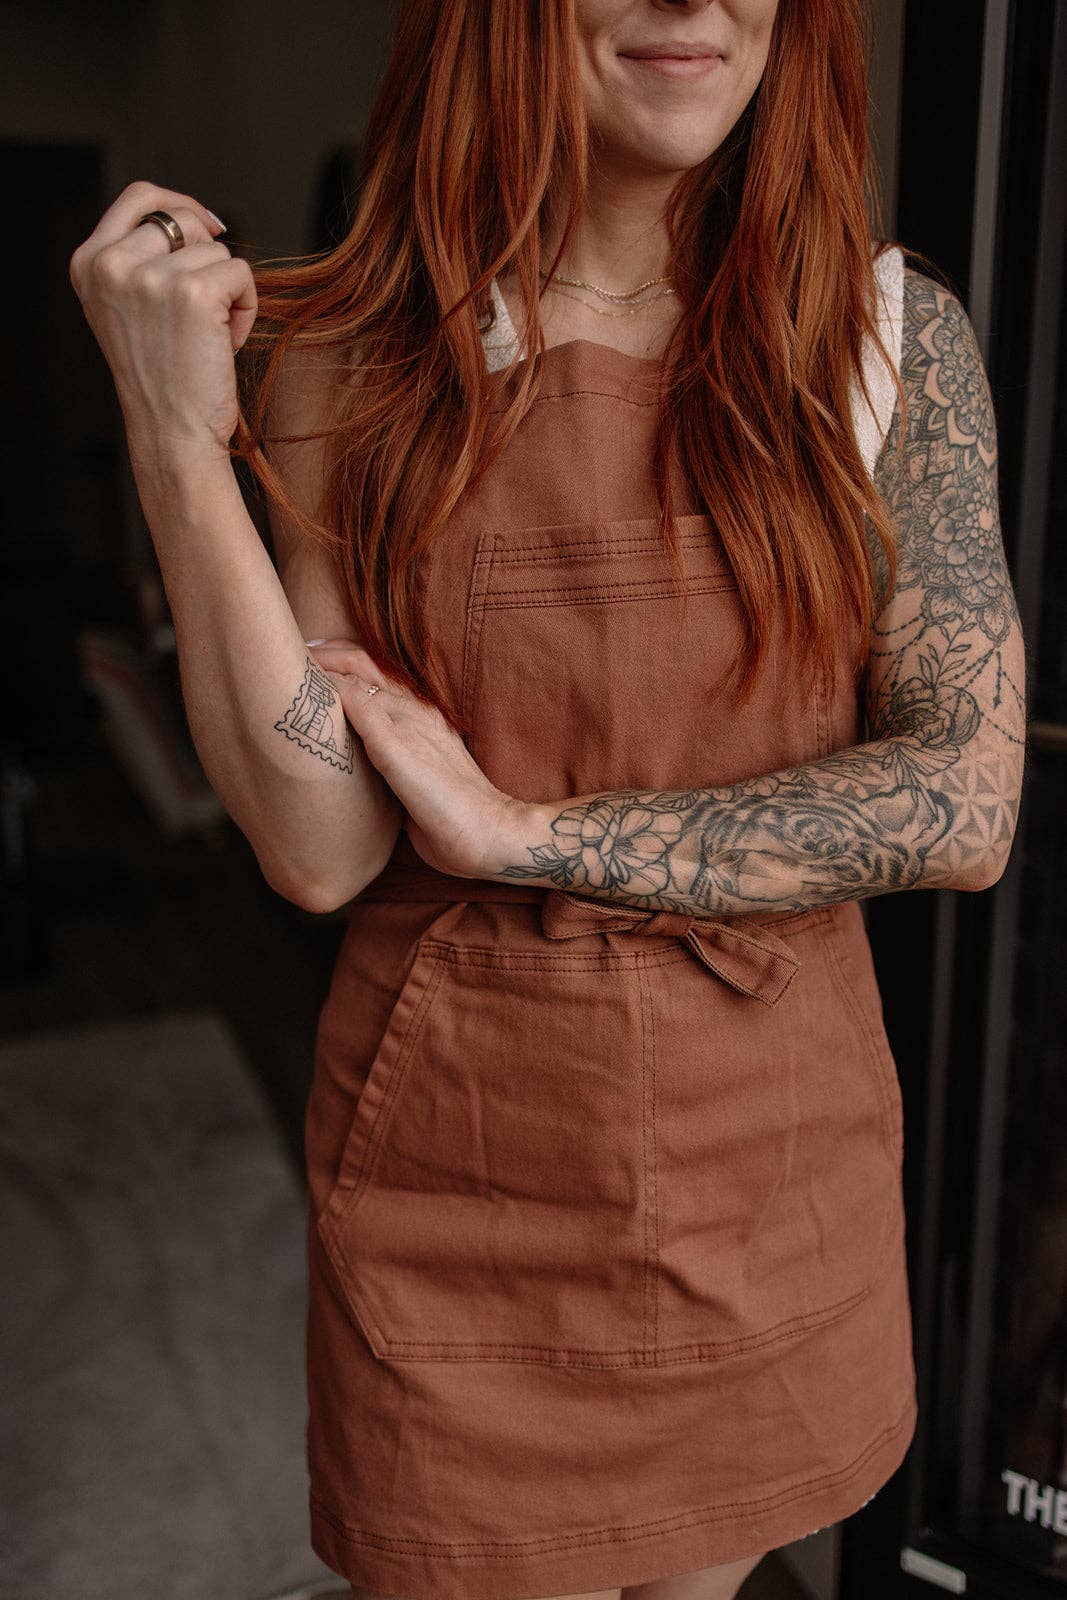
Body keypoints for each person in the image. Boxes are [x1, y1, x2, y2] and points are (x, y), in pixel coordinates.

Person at [70, 1, 1027, 1597]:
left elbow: (964, 798)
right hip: (468, 1180)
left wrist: (528, 835)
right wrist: (176, 440)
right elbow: (317, 845)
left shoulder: (881, 338)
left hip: (774, 1177)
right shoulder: (361, 357)